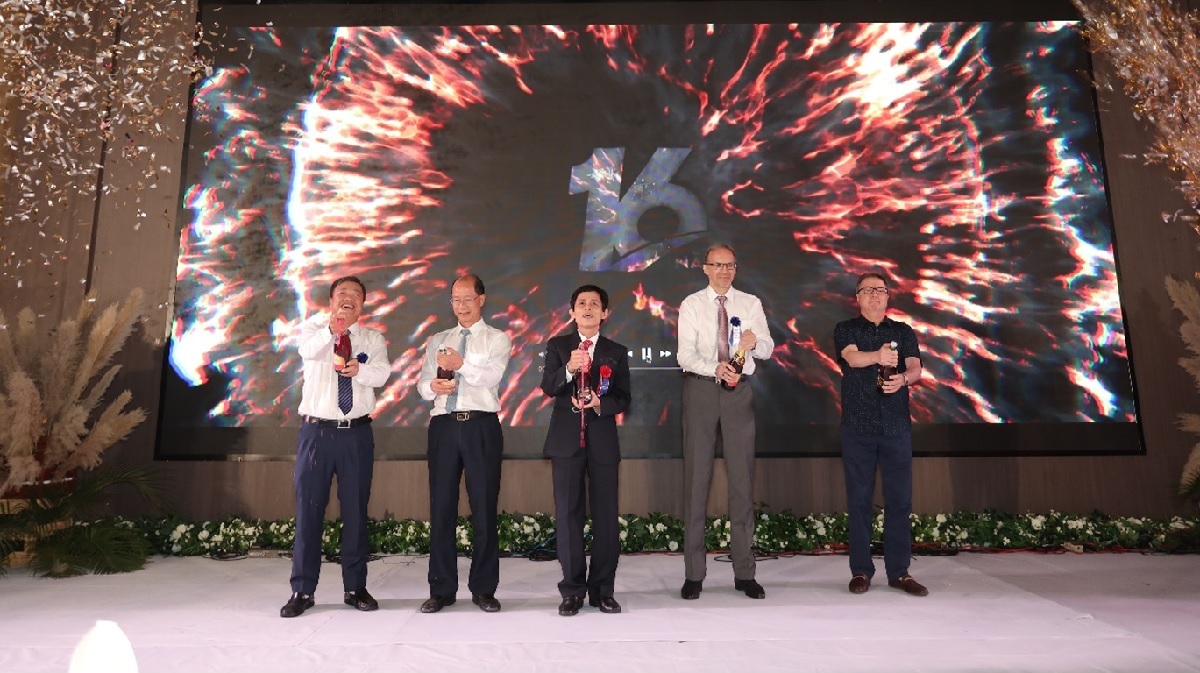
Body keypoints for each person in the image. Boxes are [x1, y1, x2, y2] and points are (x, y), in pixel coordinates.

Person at [281, 276, 391, 618]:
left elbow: (381, 375)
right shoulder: (314, 329)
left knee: (355, 511)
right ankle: (302, 590)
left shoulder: (372, 338)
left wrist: (360, 370)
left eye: (356, 294)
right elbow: (307, 351)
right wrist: (333, 329)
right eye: (342, 293)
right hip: (316, 433)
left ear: (362, 305)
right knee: (309, 511)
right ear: (331, 301)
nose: (349, 298)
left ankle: (355, 587)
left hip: (356, 434)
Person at [676, 243, 774, 601]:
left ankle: (745, 573)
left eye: (730, 265)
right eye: (717, 265)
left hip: (738, 393)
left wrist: (754, 341)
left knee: (742, 481)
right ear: (705, 268)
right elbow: (684, 355)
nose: (724, 271)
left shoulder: (750, 303)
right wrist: (714, 368)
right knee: (696, 481)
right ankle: (694, 574)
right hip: (701, 389)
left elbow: (768, 348)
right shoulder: (691, 304)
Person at [416, 274, 512, 613]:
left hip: (480, 425)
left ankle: (484, 589)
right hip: (443, 425)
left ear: (481, 300)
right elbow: (422, 385)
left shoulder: (497, 338)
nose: (461, 306)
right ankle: (441, 589)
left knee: (483, 507)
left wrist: (461, 365)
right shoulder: (439, 339)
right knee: (441, 507)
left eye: (467, 299)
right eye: (456, 299)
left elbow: (491, 377)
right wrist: (433, 388)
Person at [834, 272, 928, 597]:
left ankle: (899, 572)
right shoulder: (846, 329)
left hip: (896, 427)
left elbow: (915, 367)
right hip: (857, 427)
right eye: (868, 290)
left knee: (900, 501)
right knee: (859, 500)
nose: (875, 295)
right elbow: (850, 357)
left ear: (888, 296)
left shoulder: (903, 331)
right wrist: (878, 357)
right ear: (857, 297)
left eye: (880, 290)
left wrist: (904, 378)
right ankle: (861, 570)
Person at [540, 285, 632, 616]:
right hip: (566, 443)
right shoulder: (558, 346)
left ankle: (603, 591)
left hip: (602, 442)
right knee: (568, 516)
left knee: (606, 517)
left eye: (595, 304)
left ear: (605, 313)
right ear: (572, 312)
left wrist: (598, 403)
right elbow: (549, 386)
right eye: (582, 303)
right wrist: (568, 368)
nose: (588, 307)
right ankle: (572, 590)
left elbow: (623, 398)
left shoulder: (615, 351)